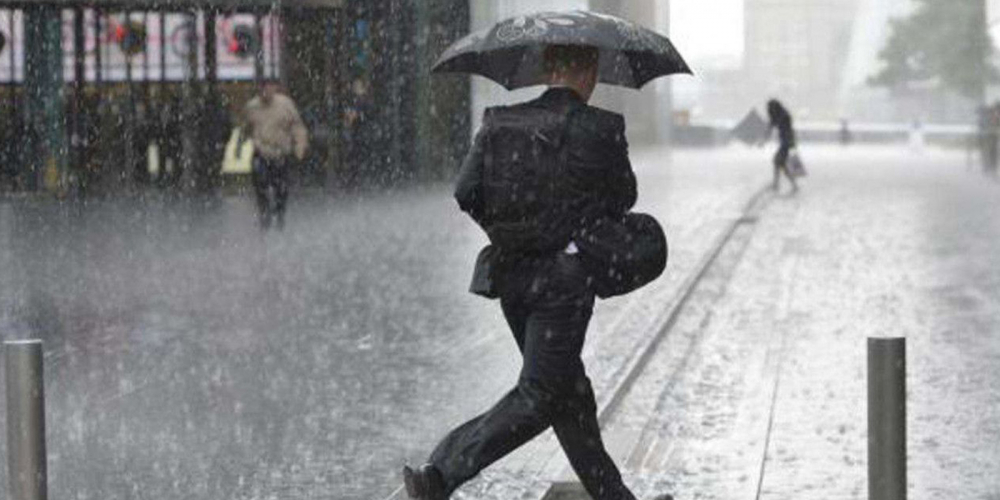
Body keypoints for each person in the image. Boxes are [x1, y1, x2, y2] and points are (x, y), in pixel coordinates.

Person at [403, 45, 645, 500]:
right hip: (566, 284)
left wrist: (510, 230)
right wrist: (572, 224)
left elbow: (465, 191)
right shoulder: (603, 127)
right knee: (541, 394)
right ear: (589, 71)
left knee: (568, 394)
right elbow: (625, 198)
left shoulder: (498, 121)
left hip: (513, 279)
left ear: (547, 68)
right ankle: (441, 473)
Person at [239, 79, 308, 229]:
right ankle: (265, 214)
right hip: (261, 152)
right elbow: (245, 127)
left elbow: (297, 127)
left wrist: (300, 147)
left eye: (269, 87)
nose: (266, 92)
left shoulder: (285, 105)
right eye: (263, 88)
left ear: (275, 88)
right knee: (260, 183)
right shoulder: (252, 107)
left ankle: (280, 214)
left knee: (281, 188)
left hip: (280, 153)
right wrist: (240, 144)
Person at [761, 99, 798, 192]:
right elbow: (770, 126)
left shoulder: (784, 116)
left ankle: (781, 184)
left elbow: (775, 124)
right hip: (786, 141)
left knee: (779, 162)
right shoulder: (779, 115)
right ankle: (781, 184)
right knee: (779, 163)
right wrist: (763, 139)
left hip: (787, 142)